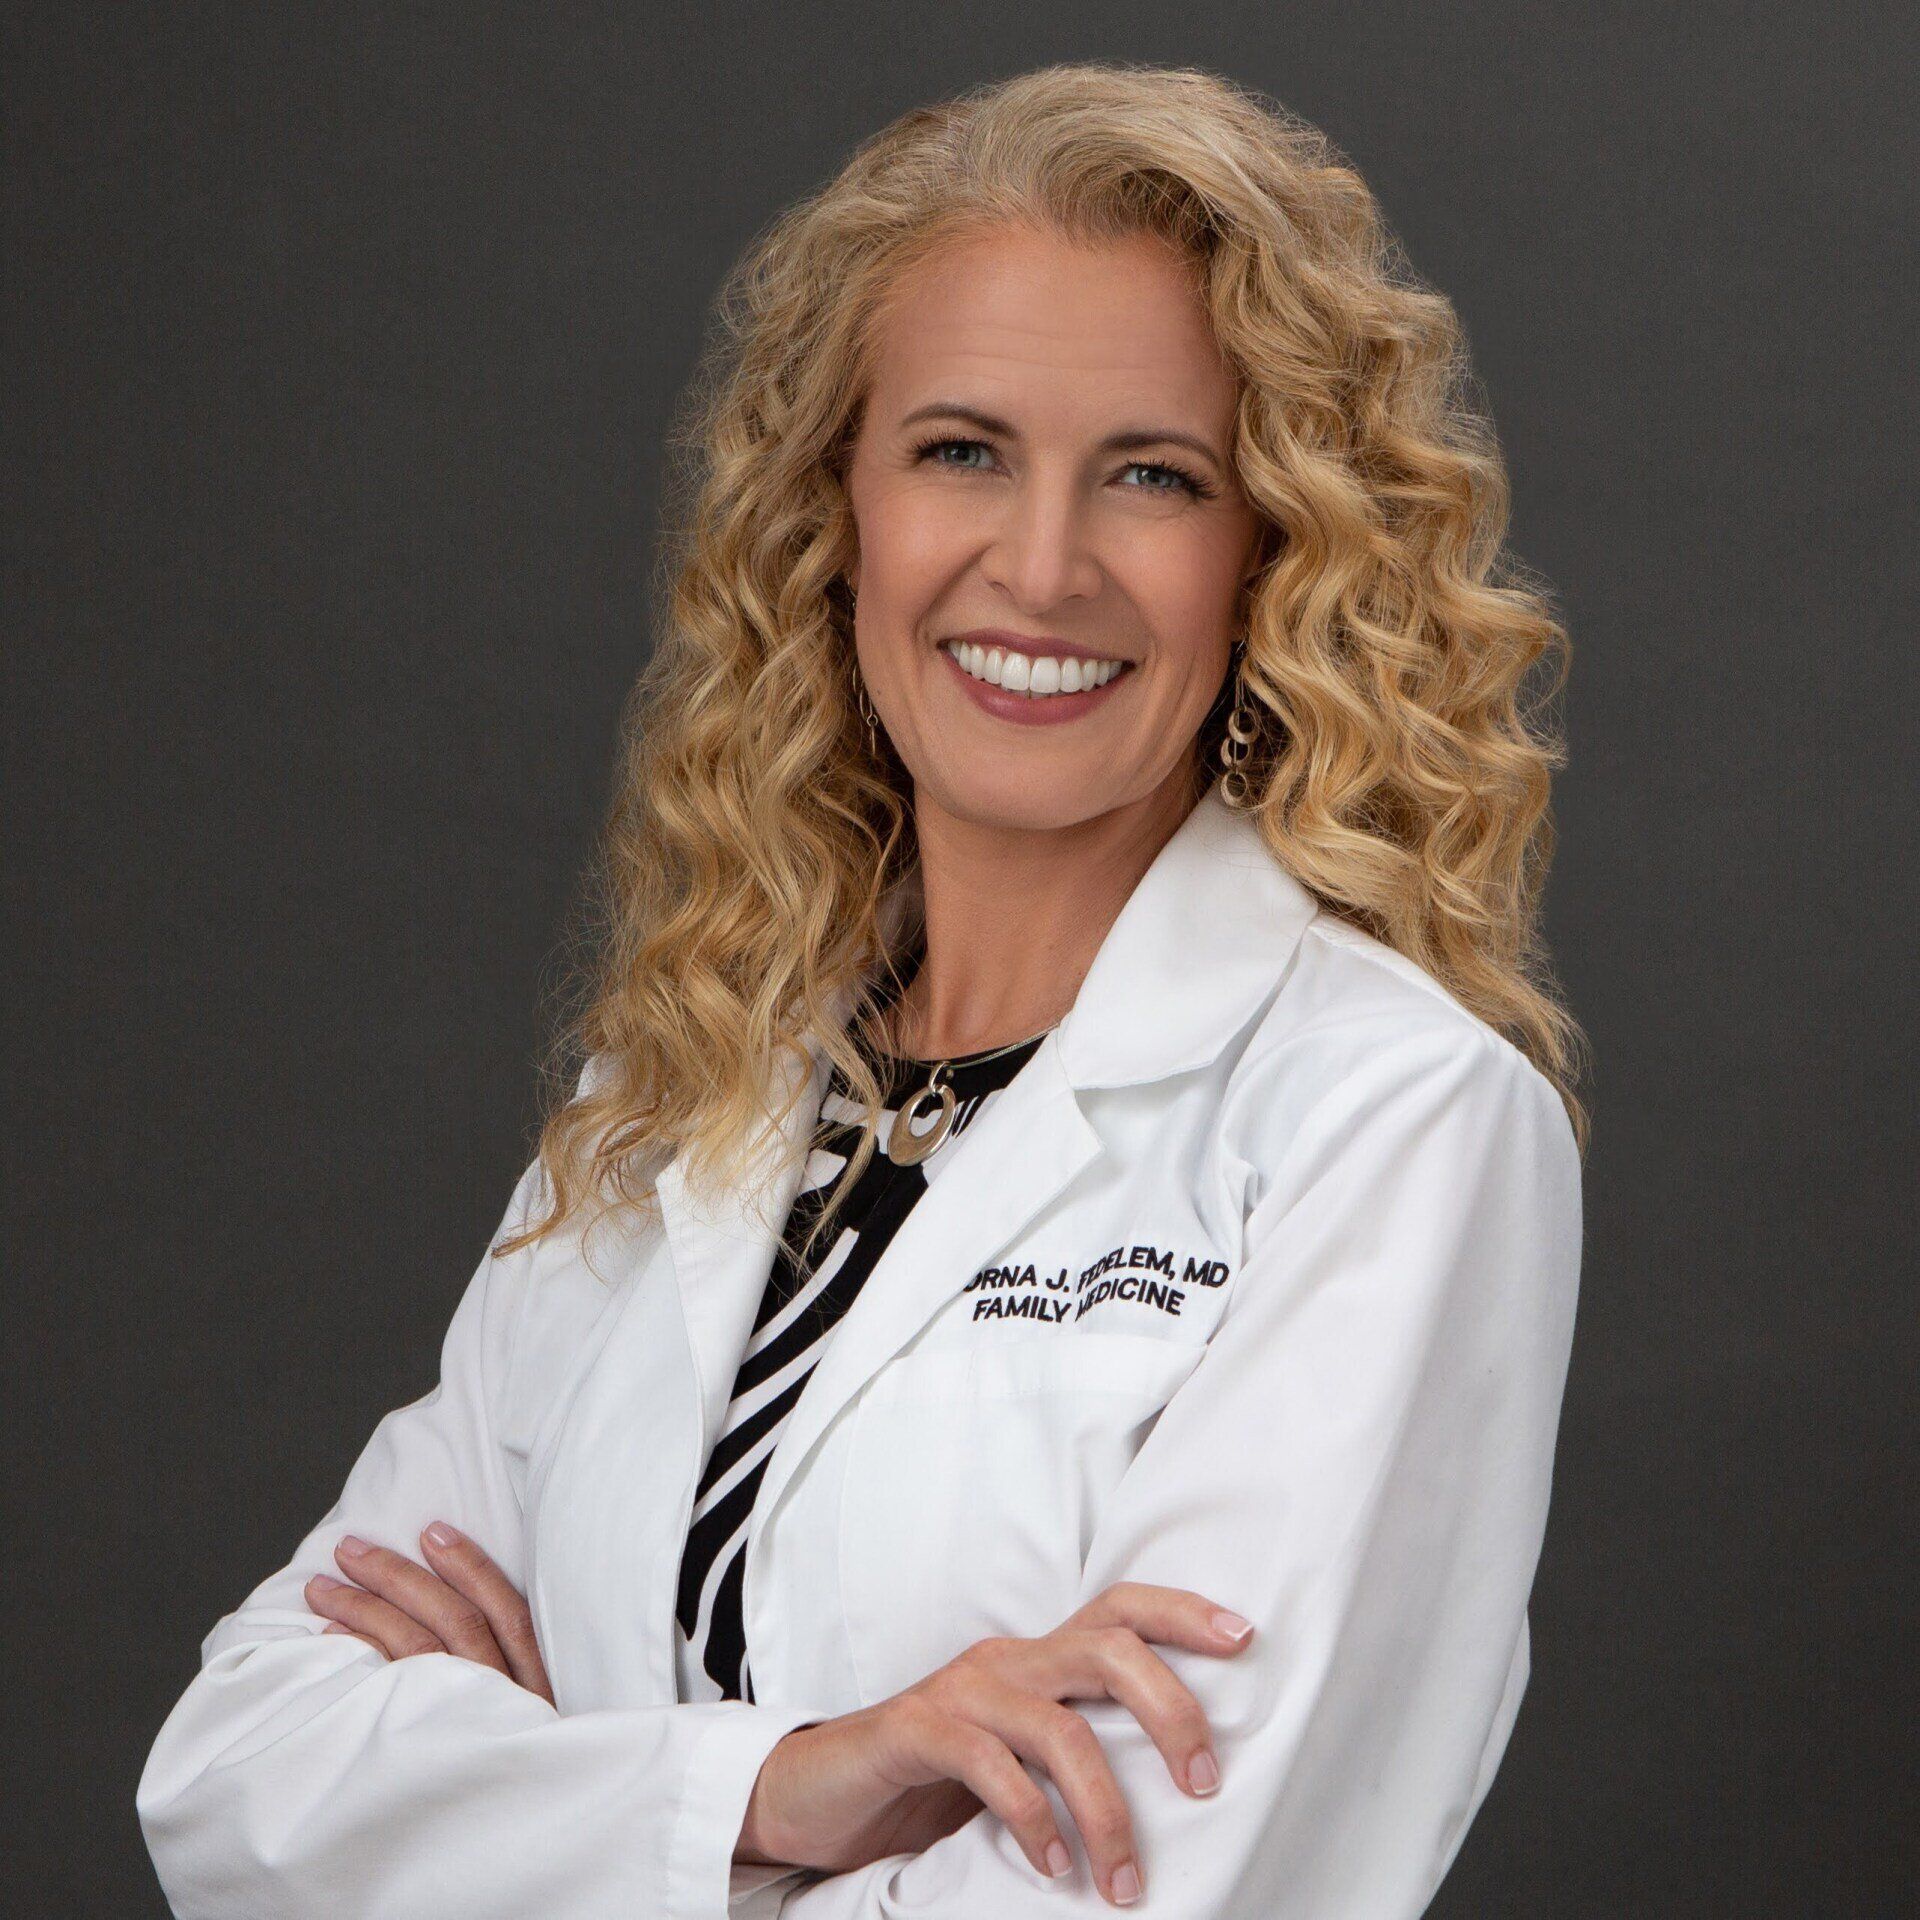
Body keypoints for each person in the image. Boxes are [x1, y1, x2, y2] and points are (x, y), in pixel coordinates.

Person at [137, 60, 1587, 1919]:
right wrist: (800, 1792)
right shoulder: (675, 1091)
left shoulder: (1395, 1126)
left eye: (1154, 475)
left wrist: (554, 1803)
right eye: (960, 449)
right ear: (840, 515)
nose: (1041, 567)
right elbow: (238, 1776)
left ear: (1276, 552)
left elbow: (1162, 1891)